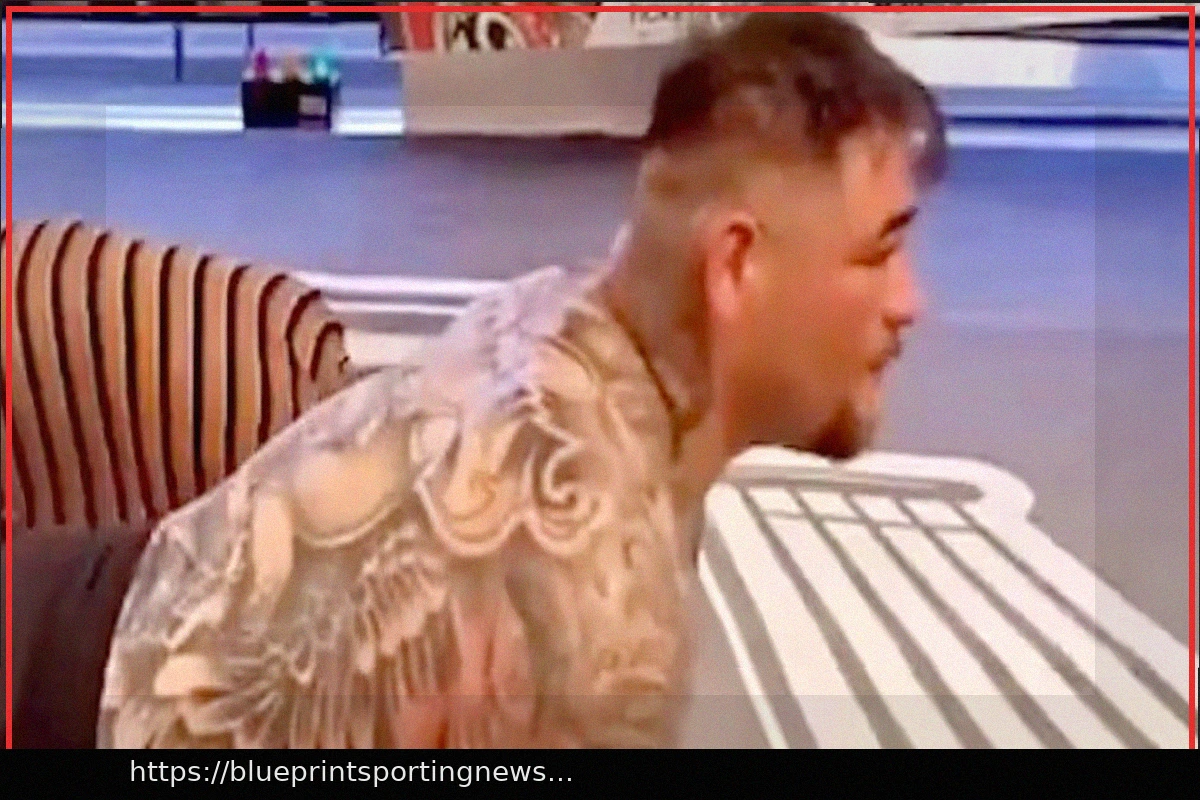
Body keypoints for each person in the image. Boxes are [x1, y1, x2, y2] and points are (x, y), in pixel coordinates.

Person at [97, 12, 945, 749]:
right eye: (879, 251)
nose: (911, 302)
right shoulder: (600, 629)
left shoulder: (566, 311)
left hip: (139, 606)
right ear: (735, 266)